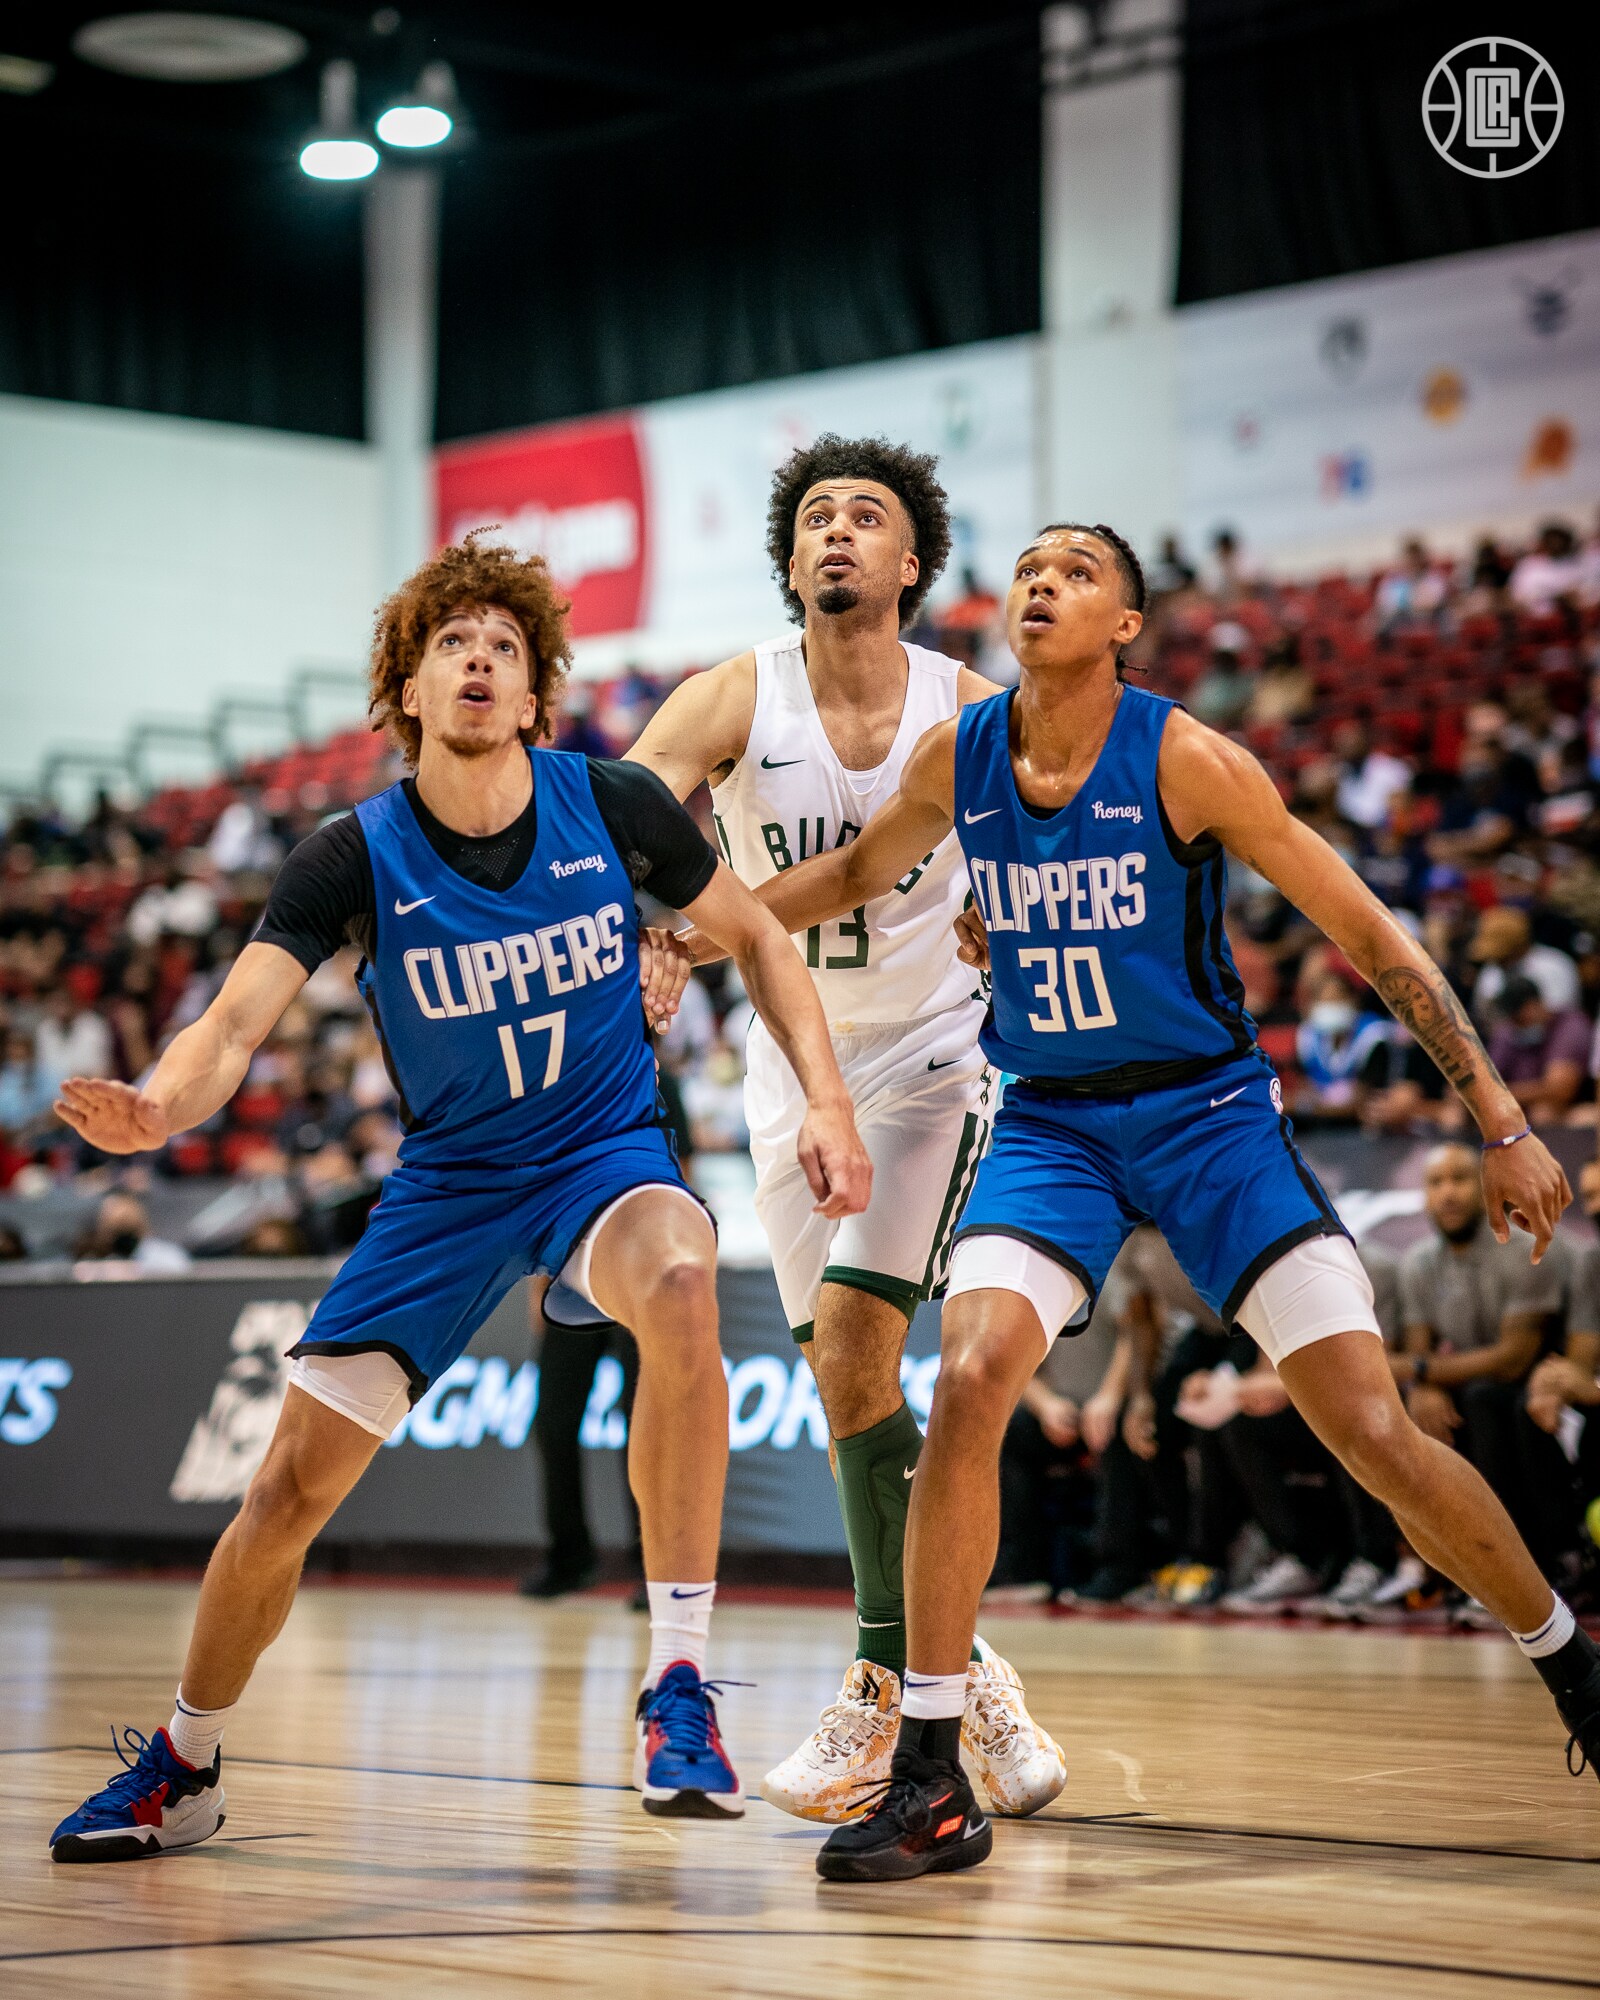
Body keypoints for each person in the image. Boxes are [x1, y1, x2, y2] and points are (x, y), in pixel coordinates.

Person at [696, 519, 1597, 1882]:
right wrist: (688, 921)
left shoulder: (1186, 757)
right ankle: (934, 1777)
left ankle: (1570, 1663)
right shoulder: (965, 754)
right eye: (1034, 567)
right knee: (977, 1373)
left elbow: (1369, 936)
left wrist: (1505, 1118)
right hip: (1053, 1120)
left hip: (1206, 1116)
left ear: (1127, 623)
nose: (1044, 582)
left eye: (1079, 572)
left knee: (1367, 1423)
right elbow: (854, 877)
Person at [46, 532, 871, 1860]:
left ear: (537, 693)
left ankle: (677, 1686)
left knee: (679, 1276)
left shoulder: (611, 805)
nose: (481, 661)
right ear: (408, 694)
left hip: (603, 1155)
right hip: (447, 1190)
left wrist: (827, 1100)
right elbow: (233, 1029)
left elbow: (766, 945)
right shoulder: (349, 856)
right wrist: (157, 1103)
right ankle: (183, 1761)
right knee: (282, 1498)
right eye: (453, 646)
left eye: (506, 647)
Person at [626, 434, 1064, 1824]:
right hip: (788, 1062)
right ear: (792, 556)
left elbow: (1057, 844)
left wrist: (1022, 909)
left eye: (865, 516)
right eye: (816, 516)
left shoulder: (968, 703)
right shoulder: (732, 694)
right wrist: (645, 923)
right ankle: (959, 1664)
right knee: (846, 1390)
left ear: (912, 561)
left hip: (939, 1059)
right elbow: (616, 814)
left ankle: (885, 1691)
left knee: (870, 1342)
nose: (836, 534)